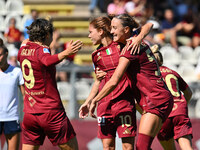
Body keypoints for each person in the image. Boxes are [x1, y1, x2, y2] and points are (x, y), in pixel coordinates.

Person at [89, 14, 173, 150]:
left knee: (141, 147)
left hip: (155, 99)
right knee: (144, 147)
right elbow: (149, 24)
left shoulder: (129, 49)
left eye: (115, 28)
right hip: (158, 98)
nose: (111, 31)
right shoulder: (134, 40)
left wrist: (95, 100)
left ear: (126, 29)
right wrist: (140, 37)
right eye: (111, 28)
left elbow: (114, 81)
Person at [79, 16, 153, 150]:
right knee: (107, 147)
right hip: (104, 104)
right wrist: (88, 101)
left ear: (100, 31)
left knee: (127, 147)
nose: (89, 36)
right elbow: (98, 82)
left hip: (124, 102)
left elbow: (148, 25)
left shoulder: (122, 44)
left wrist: (139, 37)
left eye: (91, 32)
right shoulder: (96, 55)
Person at [17, 18, 82, 150]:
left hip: (30, 113)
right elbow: (46, 60)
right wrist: (66, 53)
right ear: (47, 35)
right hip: (51, 112)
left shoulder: (22, 49)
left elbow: (28, 44)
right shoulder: (42, 51)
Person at [151, 44, 193, 150]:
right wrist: (182, 106)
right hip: (179, 110)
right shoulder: (173, 72)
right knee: (187, 147)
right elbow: (188, 93)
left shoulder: (150, 75)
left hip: (163, 114)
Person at [0, 38, 25, 150]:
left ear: (6, 54)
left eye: (0, 55)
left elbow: (25, 95)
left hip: (11, 117)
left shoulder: (16, 72)